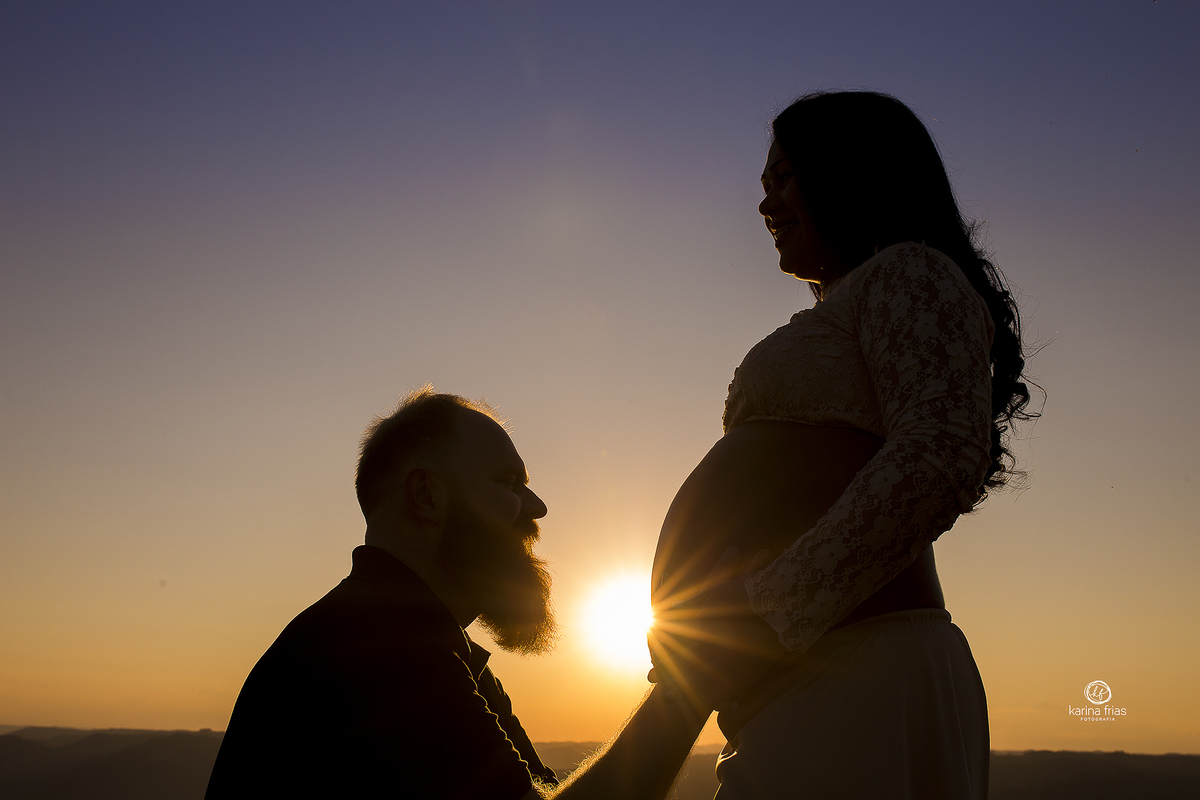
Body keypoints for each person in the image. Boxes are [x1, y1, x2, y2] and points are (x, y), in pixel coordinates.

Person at [648, 91, 1035, 798]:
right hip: (805, 669)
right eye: (764, 186)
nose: (766, 206)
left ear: (857, 173)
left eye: (787, 178)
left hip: (862, 663)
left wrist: (767, 608)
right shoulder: (850, 303)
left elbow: (940, 452)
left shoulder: (911, 271)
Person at [205, 389, 712, 800]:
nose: (535, 507)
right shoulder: (372, 654)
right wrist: (689, 684)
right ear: (425, 495)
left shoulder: (414, 645)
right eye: (509, 481)